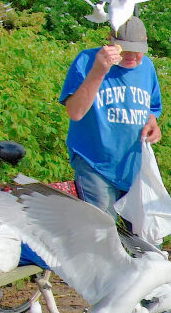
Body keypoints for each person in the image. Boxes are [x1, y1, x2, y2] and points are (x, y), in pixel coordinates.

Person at [58, 17, 162, 213]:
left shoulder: (147, 67)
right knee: (101, 231)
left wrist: (153, 125)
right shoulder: (87, 60)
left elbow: (152, 110)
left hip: (134, 167)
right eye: (124, 48)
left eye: (137, 49)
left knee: (140, 237)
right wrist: (99, 71)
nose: (131, 55)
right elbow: (75, 112)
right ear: (110, 40)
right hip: (94, 164)